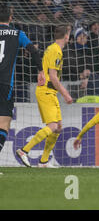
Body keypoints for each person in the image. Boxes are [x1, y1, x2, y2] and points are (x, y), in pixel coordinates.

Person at [16, 25, 73, 168]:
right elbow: (53, 77)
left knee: (58, 127)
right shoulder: (56, 51)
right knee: (53, 126)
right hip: (46, 91)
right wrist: (65, 94)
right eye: (69, 34)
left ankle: (43, 161)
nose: (69, 37)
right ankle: (24, 150)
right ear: (66, 36)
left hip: (48, 91)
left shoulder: (52, 48)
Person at [0, 3, 45, 167]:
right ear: (11, 18)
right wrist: (41, 71)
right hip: (5, 84)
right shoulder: (18, 33)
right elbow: (33, 51)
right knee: (3, 123)